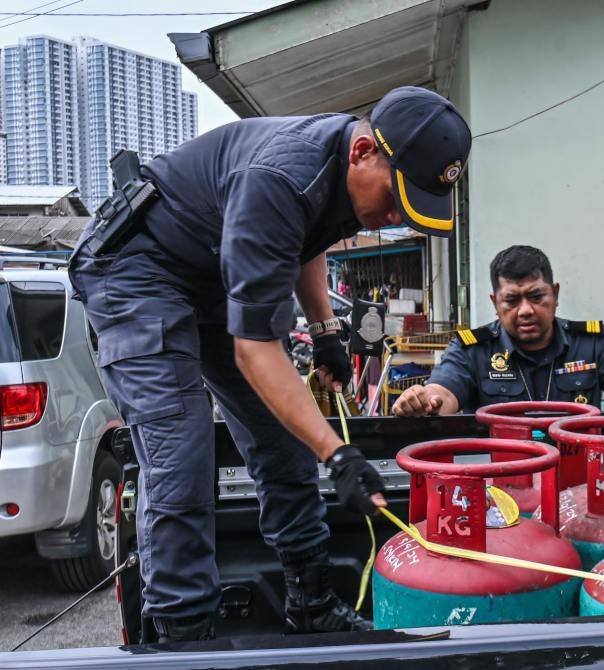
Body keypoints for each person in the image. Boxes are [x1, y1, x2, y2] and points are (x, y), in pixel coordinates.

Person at [68, 86, 471, 642]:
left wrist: (325, 330)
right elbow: (254, 349)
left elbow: (307, 236)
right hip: (136, 272)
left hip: (211, 274)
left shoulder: (341, 165)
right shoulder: (280, 176)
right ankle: (184, 635)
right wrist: (338, 453)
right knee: (181, 451)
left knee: (284, 438)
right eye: (395, 199)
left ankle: (311, 603)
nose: (395, 216)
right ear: (362, 152)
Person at [393, 245, 604, 417]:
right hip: (501, 488)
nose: (526, 310)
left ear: (555, 294)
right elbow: (444, 394)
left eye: (536, 296)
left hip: (578, 485)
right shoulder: (472, 350)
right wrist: (423, 401)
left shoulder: (590, 344)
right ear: (495, 302)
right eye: (512, 300)